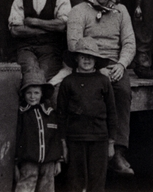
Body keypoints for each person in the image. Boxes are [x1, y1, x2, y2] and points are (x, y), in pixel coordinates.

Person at [66, 0, 136, 175]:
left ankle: (119, 153)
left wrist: (122, 64)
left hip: (114, 65)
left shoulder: (121, 11)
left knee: (123, 92)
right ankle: (79, 155)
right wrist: (96, 68)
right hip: (86, 64)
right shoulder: (79, 11)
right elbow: (73, 44)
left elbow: (130, 43)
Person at [57, 37, 117, 192]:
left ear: (96, 60)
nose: (87, 60)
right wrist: (63, 144)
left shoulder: (104, 81)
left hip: (99, 138)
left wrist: (111, 143)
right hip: (75, 139)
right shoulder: (68, 82)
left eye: (90, 56)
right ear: (76, 58)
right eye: (83, 56)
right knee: (75, 180)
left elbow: (112, 112)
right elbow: (61, 115)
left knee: (97, 181)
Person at [9, 0, 71, 82]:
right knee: (30, 69)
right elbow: (15, 30)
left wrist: (34, 22)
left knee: (42, 73)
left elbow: (62, 26)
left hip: (51, 50)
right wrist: (48, 29)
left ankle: (34, 100)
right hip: (26, 48)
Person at [15, 70, 62, 192]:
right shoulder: (22, 113)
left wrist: (58, 160)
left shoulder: (50, 113)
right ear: (24, 94)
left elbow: (55, 138)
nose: (32, 96)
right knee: (26, 184)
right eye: (29, 93)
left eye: (36, 93)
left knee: (47, 185)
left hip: (49, 160)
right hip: (28, 160)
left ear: (42, 94)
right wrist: (16, 162)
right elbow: (17, 137)